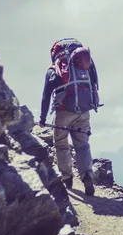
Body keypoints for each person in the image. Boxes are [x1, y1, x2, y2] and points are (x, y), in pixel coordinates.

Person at [38, 38, 100, 196]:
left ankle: (67, 178)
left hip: (63, 112)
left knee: (61, 144)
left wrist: (43, 119)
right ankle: (87, 177)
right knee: (82, 144)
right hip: (83, 112)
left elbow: (46, 96)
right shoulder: (86, 66)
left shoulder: (55, 69)